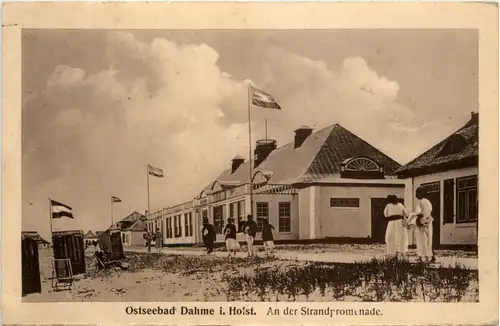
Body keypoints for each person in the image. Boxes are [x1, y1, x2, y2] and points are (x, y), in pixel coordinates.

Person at [408, 187, 435, 263]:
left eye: (417, 193)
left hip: (424, 222)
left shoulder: (424, 201)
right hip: (424, 221)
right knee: (424, 240)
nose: (416, 195)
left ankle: (426, 258)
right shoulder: (424, 201)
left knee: (424, 240)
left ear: (421, 193)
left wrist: (423, 222)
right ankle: (425, 257)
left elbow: (426, 213)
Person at [383, 195, 409, 259]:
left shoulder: (389, 205)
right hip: (397, 223)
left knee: (394, 237)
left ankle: (397, 253)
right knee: (394, 237)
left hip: (394, 223)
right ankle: (395, 253)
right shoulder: (398, 205)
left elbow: (385, 215)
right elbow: (406, 214)